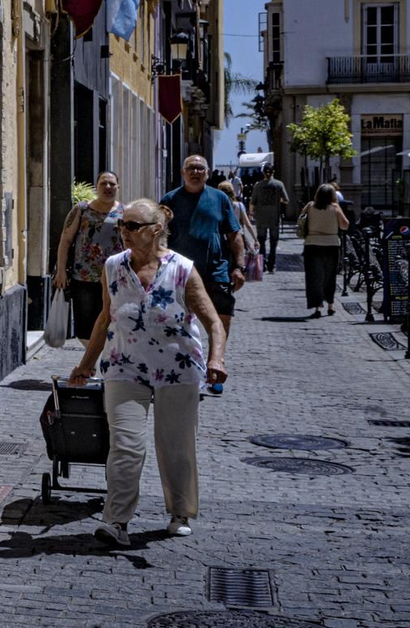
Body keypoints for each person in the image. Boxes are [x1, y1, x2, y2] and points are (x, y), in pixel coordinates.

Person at [69, 199, 229, 547]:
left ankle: (180, 513)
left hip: (178, 369)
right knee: (125, 445)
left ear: (156, 230)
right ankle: (116, 521)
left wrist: (217, 359)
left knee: (176, 446)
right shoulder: (113, 266)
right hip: (124, 366)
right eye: (121, 224)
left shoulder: (182, 269)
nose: (123, 231)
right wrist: (85, 365)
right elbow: (105, 318)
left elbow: (214, 322)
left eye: (132, 226)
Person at [160, 154, 245, 342]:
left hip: (216, 270)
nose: (195, 172)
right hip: (180, 272)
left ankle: (216, 356)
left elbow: (234, 235)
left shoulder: (220, 198)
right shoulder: (170, 200)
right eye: (191, 168)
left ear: (207, 173)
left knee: (222, 318)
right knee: (176, 320)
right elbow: (159, 237)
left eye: (200, 168)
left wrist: (239, 267)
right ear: (183, 173)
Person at [53, 172, 126, 341]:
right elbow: (65, 240)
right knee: (84, 326)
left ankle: (102, 356)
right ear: (96, 186)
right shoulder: (82, 209)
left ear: (118, 187)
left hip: (114, 277)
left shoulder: (125, 212)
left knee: (112, 322)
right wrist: (61, 271)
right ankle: (93, 355)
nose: (108, 187)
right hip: (83, 277)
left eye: (112, 184)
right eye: (103, 183)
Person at [300, 183, 349, 318]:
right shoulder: (335, 207)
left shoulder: (310, 206)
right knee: (329, 276)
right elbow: (345, 225)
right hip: (331, 244)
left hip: (312, 243)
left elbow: (301, 220)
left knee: (314, 276)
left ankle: (317, 307)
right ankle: (330, 305)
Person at [251, 166, 289, 271]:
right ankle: (272, 264)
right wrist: (279, 200)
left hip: (261, 216)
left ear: (263, 173)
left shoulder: (258, 185)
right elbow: (286, 200)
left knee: (261, 240)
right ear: (273, 172)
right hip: (274, 216)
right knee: (273, 241)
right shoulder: (279, 184)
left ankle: (262, 264)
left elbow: (253, 201)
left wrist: (251, 213)